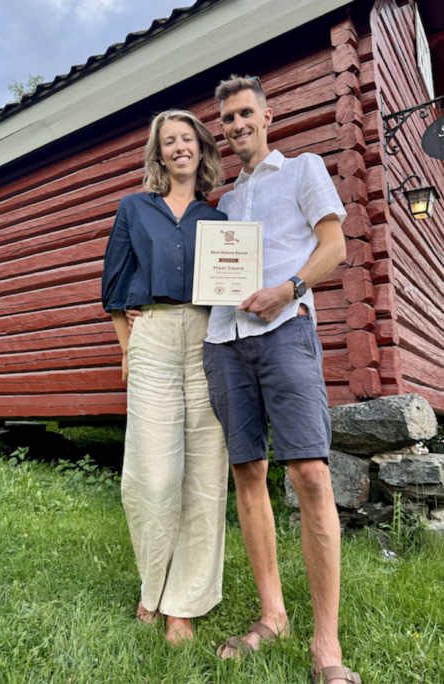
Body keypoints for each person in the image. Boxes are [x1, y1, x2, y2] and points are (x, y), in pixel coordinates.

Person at [202, 75, 361, 684]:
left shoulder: (304, 169)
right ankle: (274, 615)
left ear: (267, 115)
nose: (237, 125)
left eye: (246, 114)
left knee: (311, 474)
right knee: (248, 473)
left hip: (286, 331)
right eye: (228, 119)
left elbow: (334, 246)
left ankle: (327, 645)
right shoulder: (224, 203)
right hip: (224, 342)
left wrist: (288, 290)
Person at [101, 109, 229, 645]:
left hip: (206, 337)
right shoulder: (134, 209)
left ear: (201, 150)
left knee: (204, 474)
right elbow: (113, 288)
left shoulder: (218, 223)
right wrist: (127, 350)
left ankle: (184, 603)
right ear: (159, 154)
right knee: (151, 476)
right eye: (168, 141)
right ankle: (152, 585)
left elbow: (230, 290)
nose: (179, 147)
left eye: (187, 139)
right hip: (150, 337)